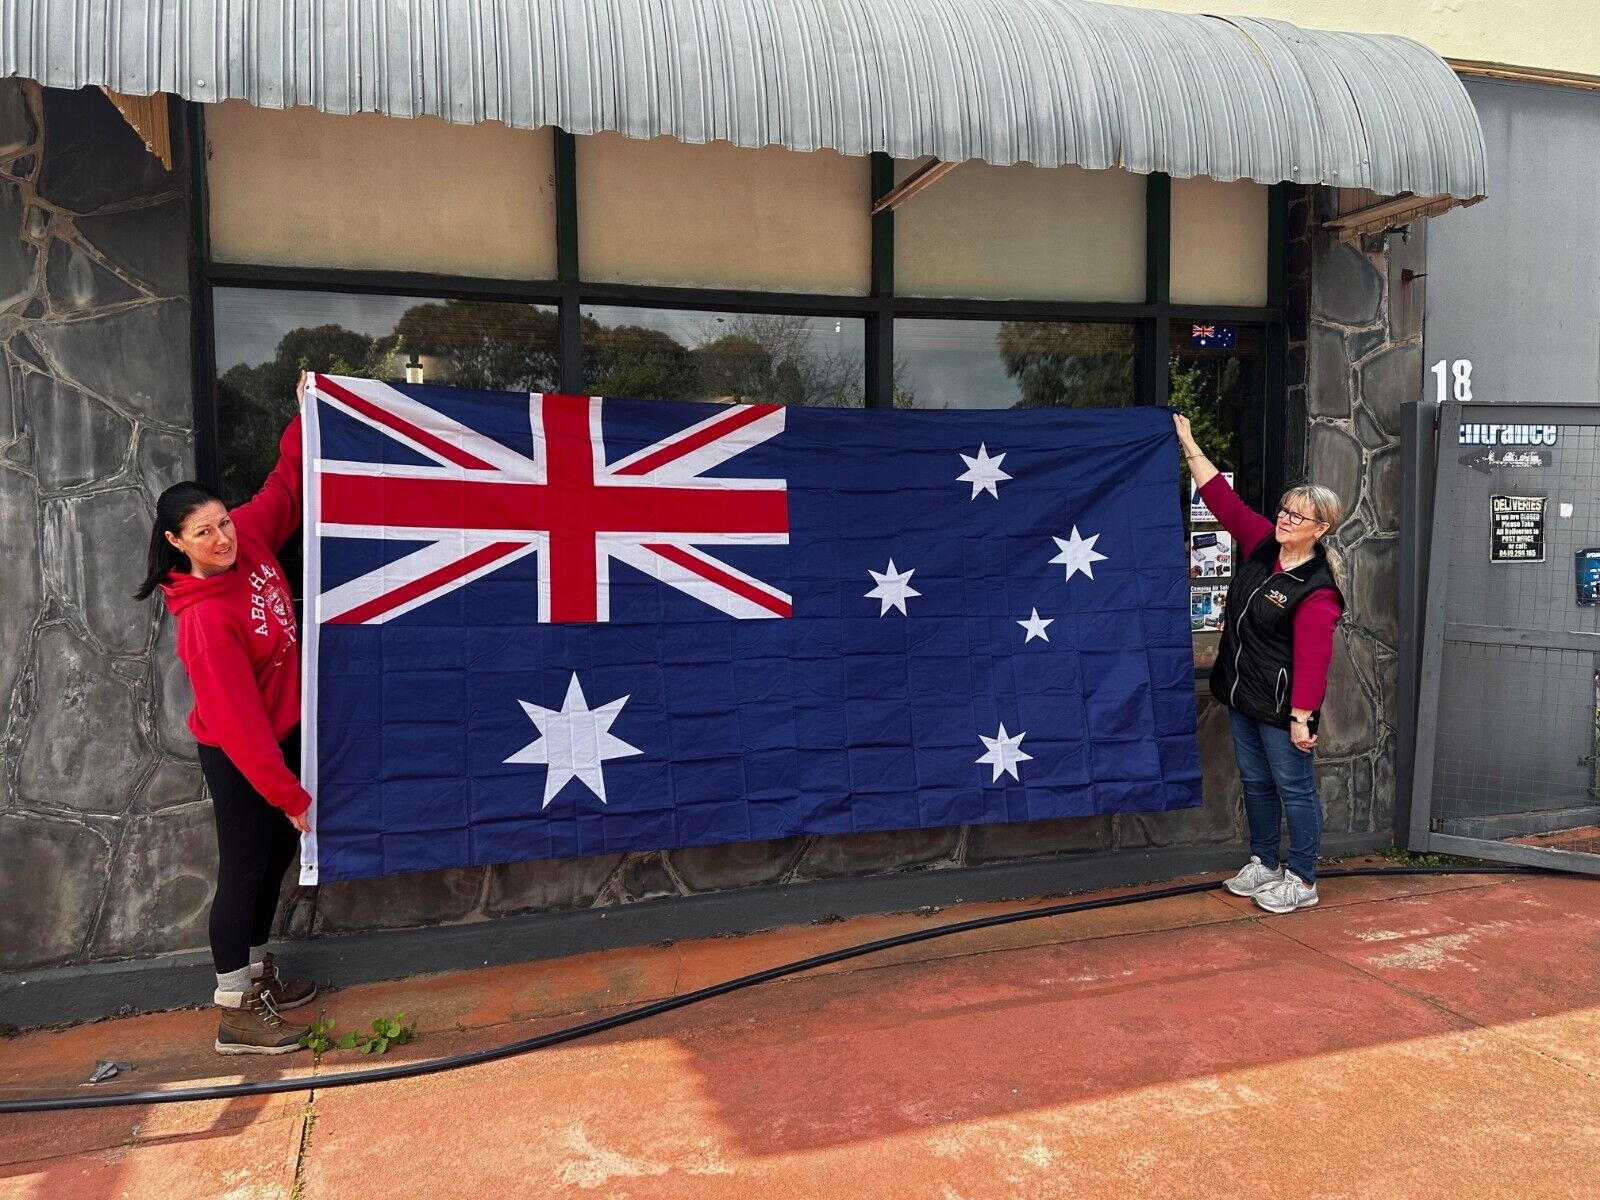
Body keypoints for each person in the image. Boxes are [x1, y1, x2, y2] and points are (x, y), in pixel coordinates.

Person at [134, 372, 316, 1053]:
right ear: (177, 542)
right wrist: (288, 793)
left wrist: (304, 413)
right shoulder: (205, 621)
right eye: (203, 532)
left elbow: (286, 489)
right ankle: (233, 1008)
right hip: (244, 754)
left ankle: (259, 973)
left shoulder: (253, 541)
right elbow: (239, 725)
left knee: (273, 858)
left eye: (223, 522)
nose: (223, 538)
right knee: (243, 865)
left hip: (282, 736)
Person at [1174, 414, 1344, 914]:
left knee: (1293, 786)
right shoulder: (1262, 544)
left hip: (1281, 707)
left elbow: (1314, 660)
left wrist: (1300, 718)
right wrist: (1188, 440)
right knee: (1256, 781)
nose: (1285, 519)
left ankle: (1303, 878)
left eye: (1298, 516)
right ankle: (1264, 862)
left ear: (1321, 528)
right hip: (1243, 696)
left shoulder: (1317, 590)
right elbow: (1220, 498)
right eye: (1284, 510)